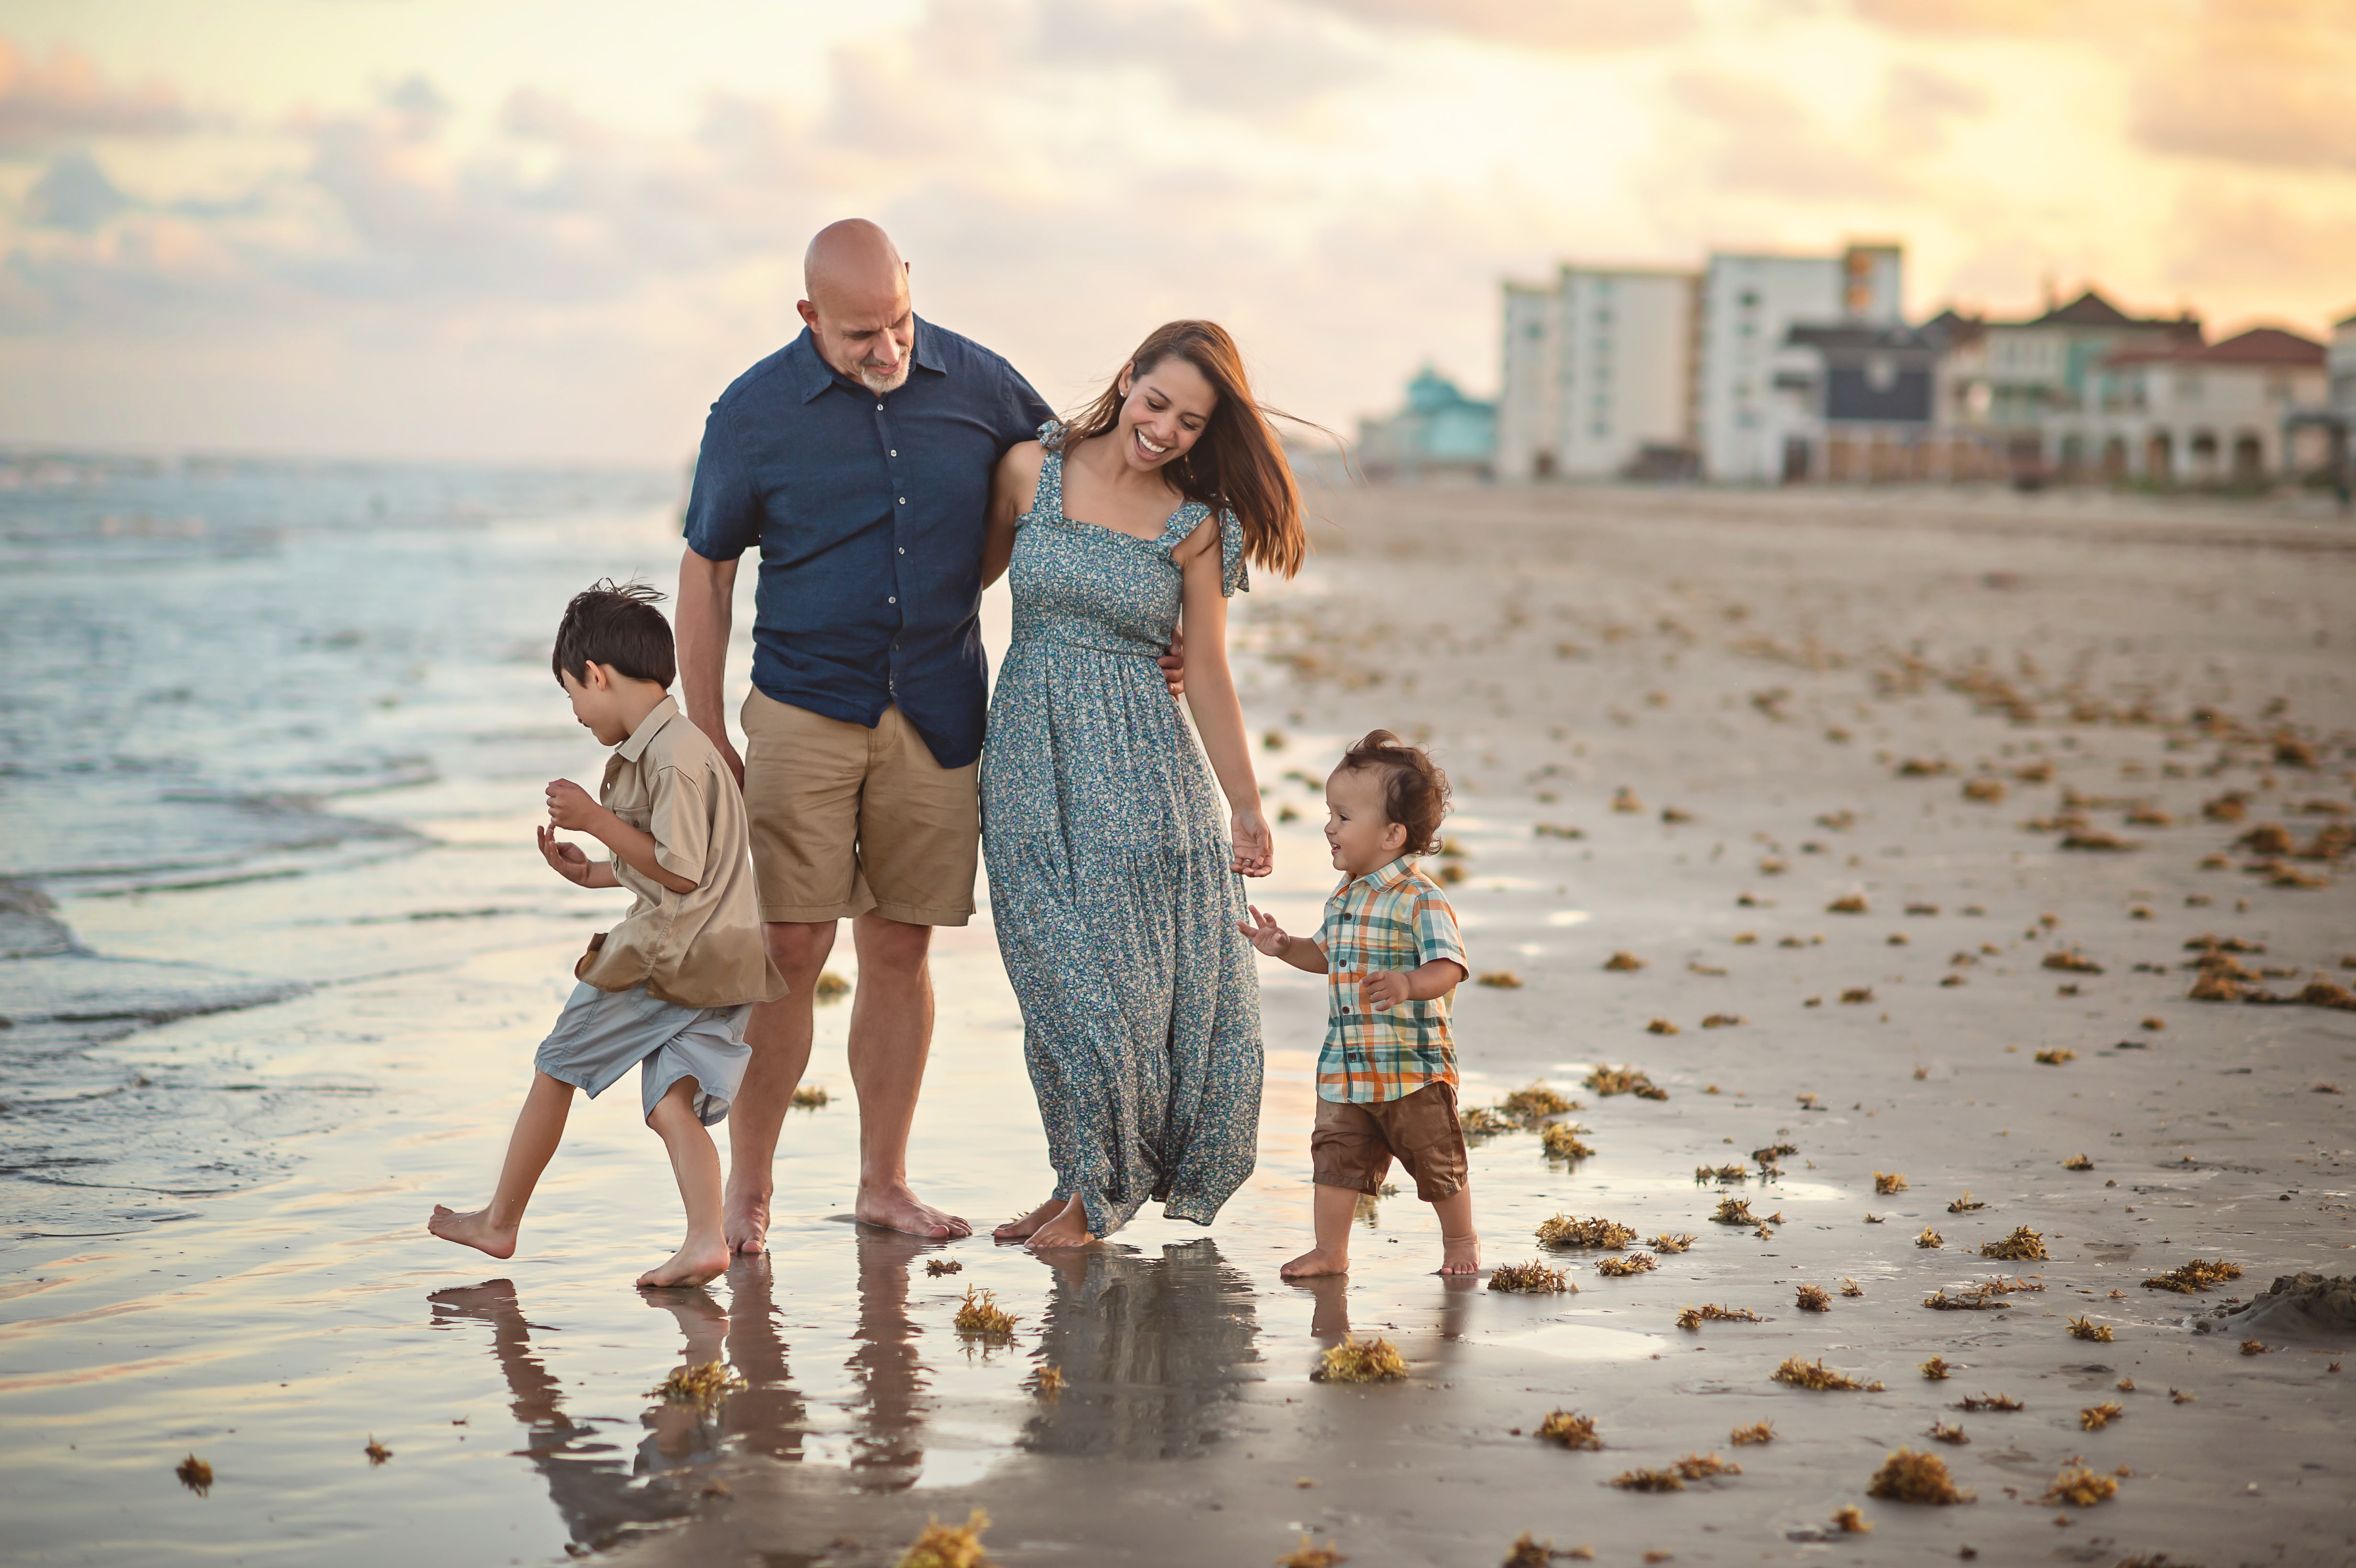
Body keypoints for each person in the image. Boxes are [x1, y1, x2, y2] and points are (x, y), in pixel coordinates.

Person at [675, 220, 1181, 1251]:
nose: (888, 348)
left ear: (913, 293)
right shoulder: (752, 413)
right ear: (810, 317)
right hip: (804, 701)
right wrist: (699, 723)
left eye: (899, 322)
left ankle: (883, 1183)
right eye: (862, 333)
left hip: (939, 704)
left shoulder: (984, 383)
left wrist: (1160, 620)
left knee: (901, 947)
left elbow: (1085, 489)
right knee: (788, 947)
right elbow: (708, 570)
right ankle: (748, 1191)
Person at [979, 319, 1302, 1252]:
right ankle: (1079, 1173)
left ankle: (1098, 1190)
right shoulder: (1025, 471)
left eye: (1192, 423)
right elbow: (954, 591)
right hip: (1029, 761)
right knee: (1053, 984)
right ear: (1126, 380)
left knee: (1115, 997)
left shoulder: (1196, 525)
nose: (1164, 430)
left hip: (1144, 779)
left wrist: (1245, 803)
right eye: (1156, 402)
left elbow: (1205, 669)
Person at [428, 582, 783, 1287]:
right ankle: (706, 1240)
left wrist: (594, 818)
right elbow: (679, 867)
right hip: (723, 955)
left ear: (598, 674)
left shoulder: (673, 757)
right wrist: (592, 870)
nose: (577, 714)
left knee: (557, 1062)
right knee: (671, 1099)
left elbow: (679, 874)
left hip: (670, 956)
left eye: (572, 697)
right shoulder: (685, 748)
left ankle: (501, 1220)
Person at [1240, 730, 1477, 1278]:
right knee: (1335, 1160)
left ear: (1393, 834)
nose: (1329, 827)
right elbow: (1324, 955)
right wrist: (1283, 946)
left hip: (1410, 1071)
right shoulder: (1345, 894)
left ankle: (1460, 1242)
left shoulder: (1421, 898)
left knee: (1436, 1160)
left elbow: (1449, 967)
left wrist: (1407, 984)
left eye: (1343, 817)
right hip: (1345, 1070)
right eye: (1329, 813)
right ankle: (1330, 1251)